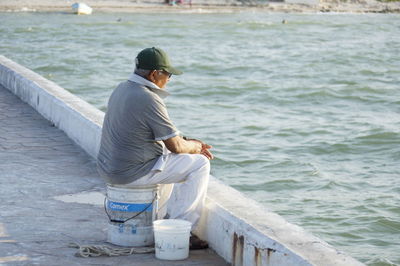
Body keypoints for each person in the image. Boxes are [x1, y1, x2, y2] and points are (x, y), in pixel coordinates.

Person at [97, 47, 213, 249]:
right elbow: (176, 146)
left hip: (109, 170)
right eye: (167, 74)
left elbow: (160, 135)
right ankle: (183, 230)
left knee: (169, 157)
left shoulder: (122, 89)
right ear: (154, 74)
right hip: (130, 173)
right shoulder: (149, 98)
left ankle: (163, 218)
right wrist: (197, 146)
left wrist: (186, 142)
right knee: (199, 164)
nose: (169, 79)